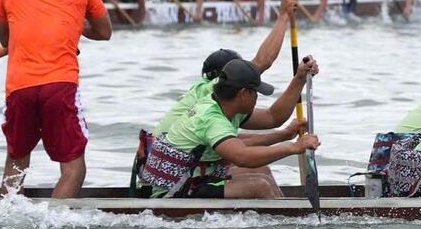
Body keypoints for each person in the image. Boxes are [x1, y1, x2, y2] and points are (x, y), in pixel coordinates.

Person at [0, 0, 113, 198]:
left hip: (19, 88)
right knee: (74, 168)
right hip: (60, 86)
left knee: (16, 161)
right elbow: (104, 31)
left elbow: (5, 41)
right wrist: (71, 27)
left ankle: (5, 218)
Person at [134, 57, 321, 199]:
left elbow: (272, 117)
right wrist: (294, 147)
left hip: (193, 176)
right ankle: (288, 227)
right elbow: (242, 156)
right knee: (260, 186)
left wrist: (299, 79)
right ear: (243, 94)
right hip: (172, 191)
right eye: (256, 92)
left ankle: (288, 214)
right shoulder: (211, 119)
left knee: (263, 171)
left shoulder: (224, 105)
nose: (257, 97)